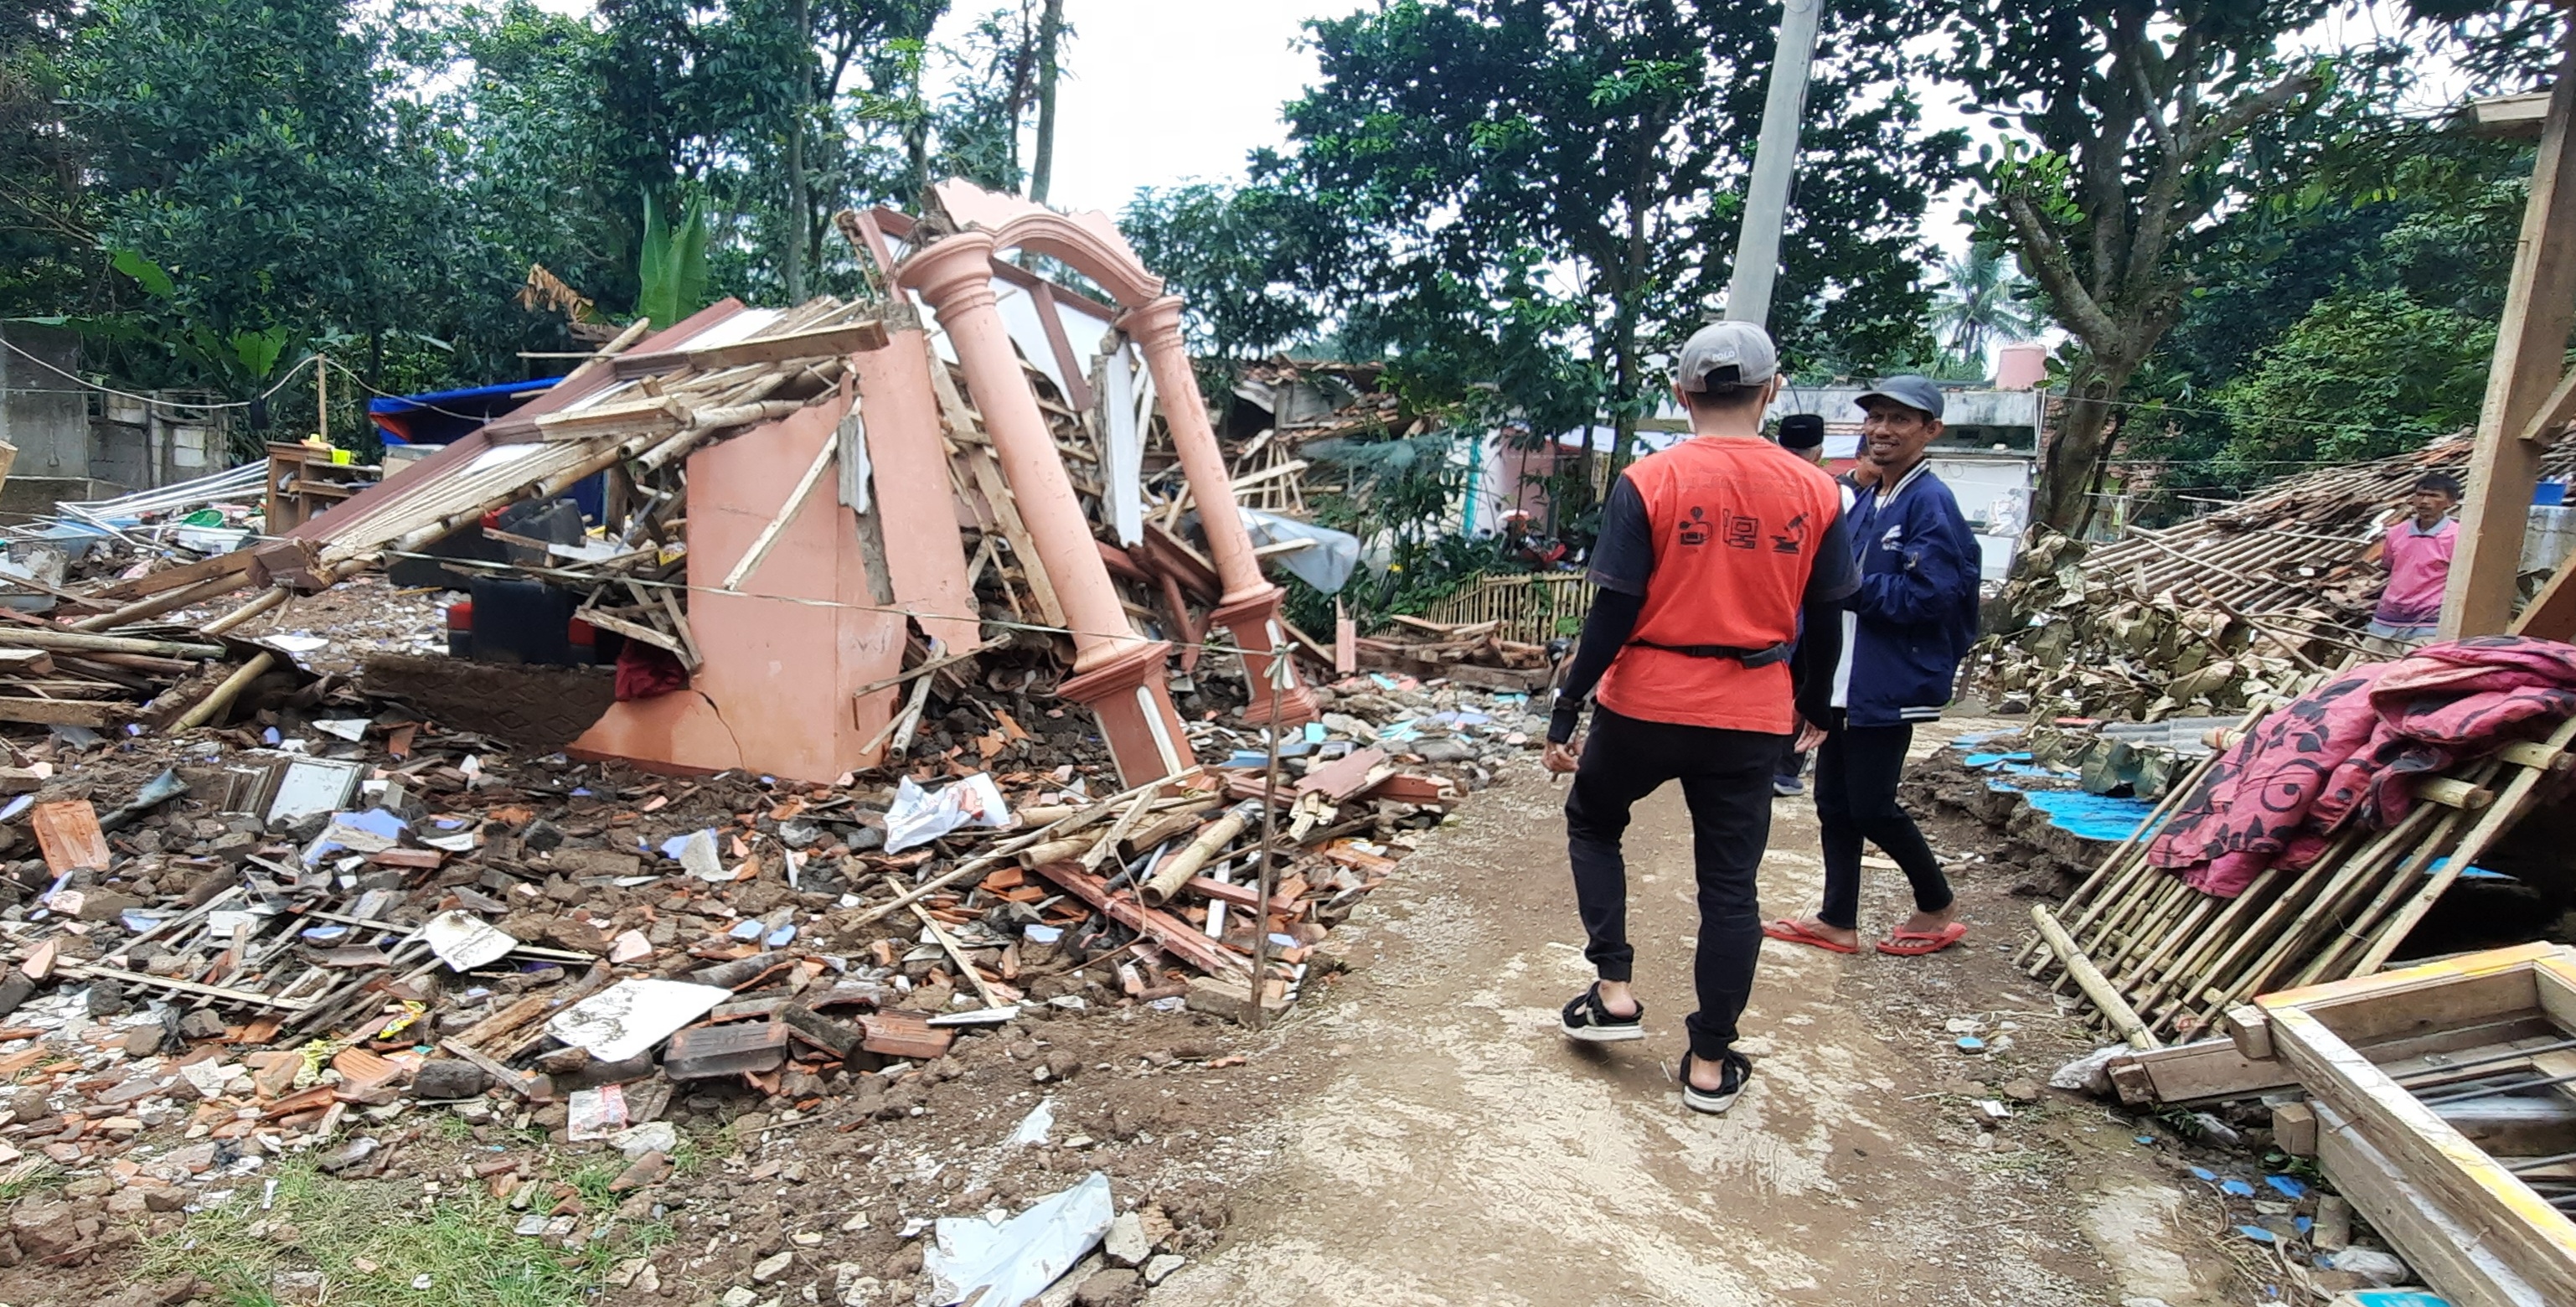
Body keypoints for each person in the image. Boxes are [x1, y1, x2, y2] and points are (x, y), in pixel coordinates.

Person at [1543, 321, 1856, 1115]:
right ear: (1772, 390)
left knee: (1594, 820)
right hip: (1750, 711)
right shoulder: (1817, 489)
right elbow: (1826, 614)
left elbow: (1613, 607)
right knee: (1729, 889)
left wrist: (1567, 705)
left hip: (1645, 698)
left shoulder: (1649, 480)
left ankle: (1613, 988)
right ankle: (1710, 1064)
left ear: (1680, 394)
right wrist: (1816, 704)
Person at [1763, 376, 1981, 958]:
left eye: (1899, 420)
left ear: (1930, 430)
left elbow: (1930, 595)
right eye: (1875, 418)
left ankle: (1935, 907)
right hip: (1845, 683)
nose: (1882, 430)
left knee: (1871, 805)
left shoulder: (1929, 503)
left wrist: (1851, 586)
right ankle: (1838, 918)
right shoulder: (1872, 499)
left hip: (1886, 683)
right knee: (1832, 803)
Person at [1772, 413, 1835, 798]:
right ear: (1820, 452)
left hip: (1770, 609)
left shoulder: (1759, 488)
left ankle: (1772, 763)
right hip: (1811, 610)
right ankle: (1785, 766)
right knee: (1802, 685)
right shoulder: (1827, 491)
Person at [2359, 474, 2461, 654]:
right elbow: (2390, 566)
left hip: (2429, 621)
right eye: (2420, 495)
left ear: (2451, 502)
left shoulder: (2458, 536)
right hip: (2388, 617)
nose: (2424, 501)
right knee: (2369, 667)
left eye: (2433, 496)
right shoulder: (2396, 533)